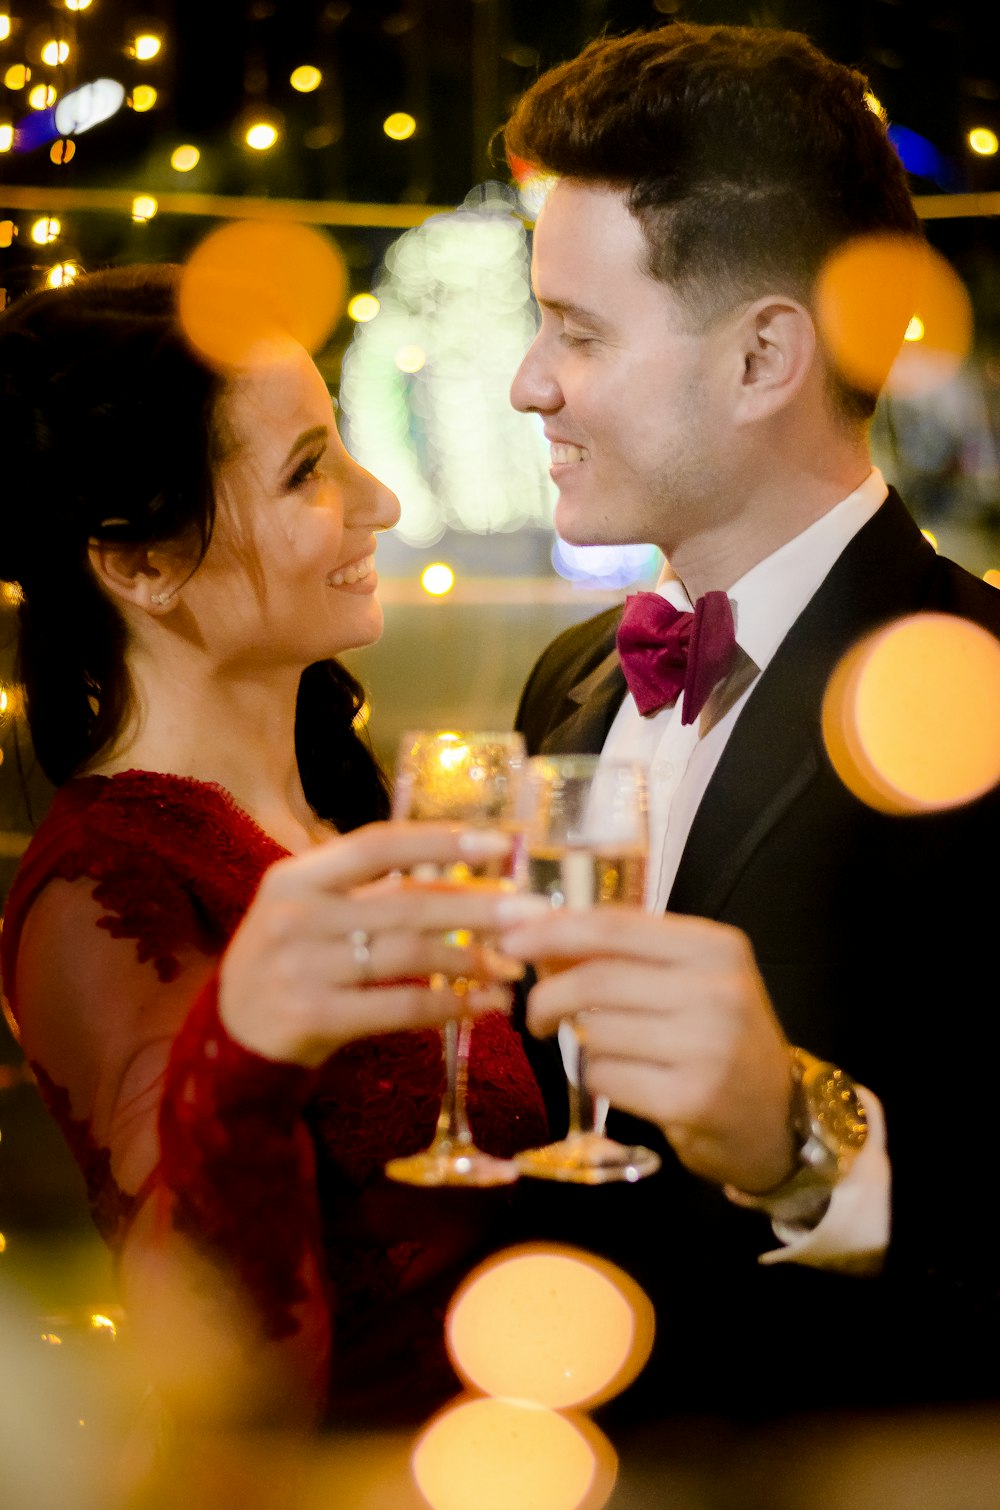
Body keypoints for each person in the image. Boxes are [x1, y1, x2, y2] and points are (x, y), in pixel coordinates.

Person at [495, 22, 1000, 1423]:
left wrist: (801, 1145)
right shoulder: (570, 681)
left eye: (577, 331)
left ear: (765, 353)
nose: (528, 383)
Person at [0, 263, 549, 1432]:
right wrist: (245, 1048)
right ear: (138, 562)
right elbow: (233, 1373)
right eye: (307, 469)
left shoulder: (345, 822)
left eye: (340, 441)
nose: (380, 501)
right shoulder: (107, 888)